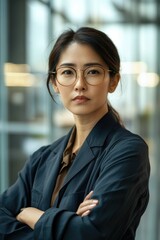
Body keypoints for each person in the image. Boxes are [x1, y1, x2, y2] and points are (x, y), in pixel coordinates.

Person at [0, 27, 150, 240]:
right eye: (68, 72)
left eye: (93, 72)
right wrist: (69, 223)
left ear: (113, 81)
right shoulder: (42, 157)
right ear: (55, 83)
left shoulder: (128, 151)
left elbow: (91, 234)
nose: (80, 84)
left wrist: (31, 215)